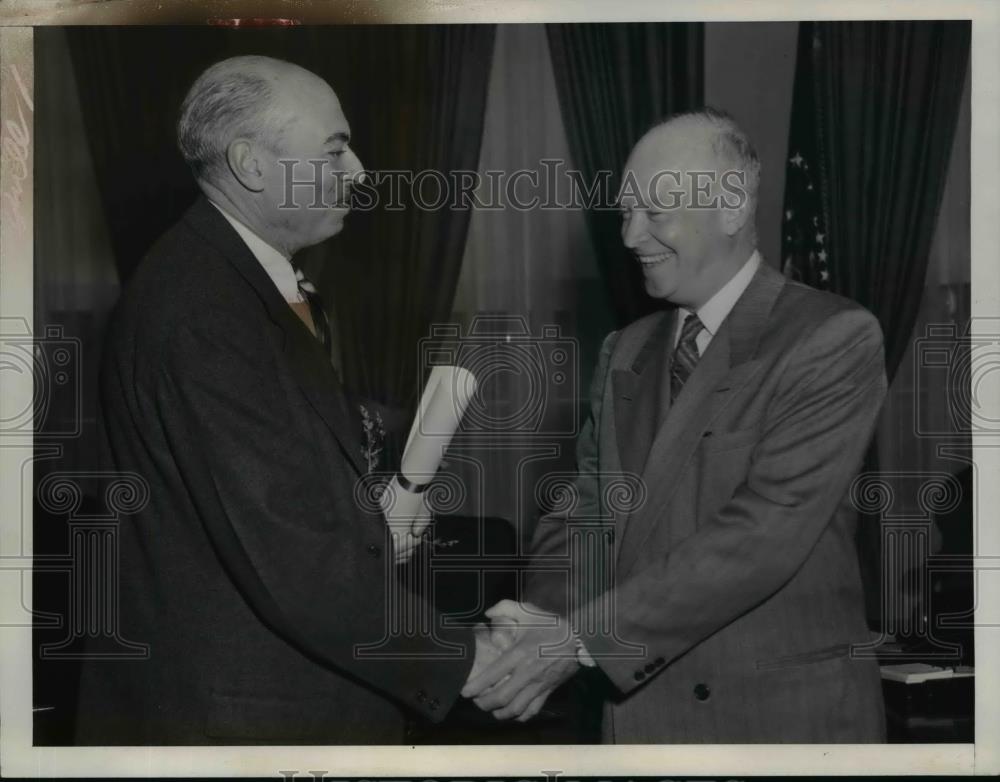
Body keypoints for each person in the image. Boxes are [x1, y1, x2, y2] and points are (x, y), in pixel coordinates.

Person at [75, 55, 496, 745]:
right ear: (251, 163)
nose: (359, 171)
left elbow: (278, 479)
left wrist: (374, 517)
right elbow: (292, 558)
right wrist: (468, 660)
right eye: (335, 149)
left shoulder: (239, 282)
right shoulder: (202, 310)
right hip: (244, 721)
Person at [464, 108, 888, 743]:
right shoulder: (625, 350)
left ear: (732, 206)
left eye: (654, 213)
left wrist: (577, 641)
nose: (632, 236)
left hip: (778, 723)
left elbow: (763, 533)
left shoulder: (830, 335)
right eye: (625, 212)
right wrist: (539, 616)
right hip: (639, 717)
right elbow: (585, 512)